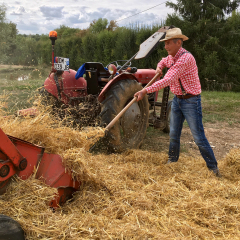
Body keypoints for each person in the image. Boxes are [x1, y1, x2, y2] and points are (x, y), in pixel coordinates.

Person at [134, 27, 221, 177]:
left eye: (168, 43)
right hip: (177, 101)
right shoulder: (172, 57)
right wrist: (158, 68)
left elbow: (167, 80)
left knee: (198, 137)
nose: (165, 46)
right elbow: (162, 61)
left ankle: (213, 168)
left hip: (191, 101)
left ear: (178, 43)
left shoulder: (185, 59)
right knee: (174, 134)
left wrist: (145, 91)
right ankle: (172, 161)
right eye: (165, 43)